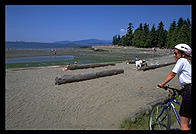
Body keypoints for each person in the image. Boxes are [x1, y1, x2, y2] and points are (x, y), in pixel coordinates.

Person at [158, 43, 192, 130]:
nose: (174, 55)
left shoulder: (182, 60)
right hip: (187, 89)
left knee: (184, 125)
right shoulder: (189, 62)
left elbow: (172, 74)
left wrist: (162, 84)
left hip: (189, 90)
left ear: (183, 54)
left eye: (176, 53)